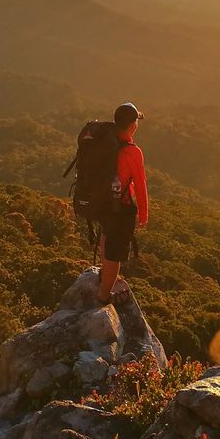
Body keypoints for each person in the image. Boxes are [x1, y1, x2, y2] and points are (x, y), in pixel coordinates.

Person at [97, 102, 149, 304]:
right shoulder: (132, 151)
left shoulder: (104, 140)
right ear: (133, 124)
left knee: (106, 234)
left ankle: (105, 274)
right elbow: (140, 183)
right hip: (119, 207)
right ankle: (103, 296)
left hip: (100, 201)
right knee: (115, 252)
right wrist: (143, 213)